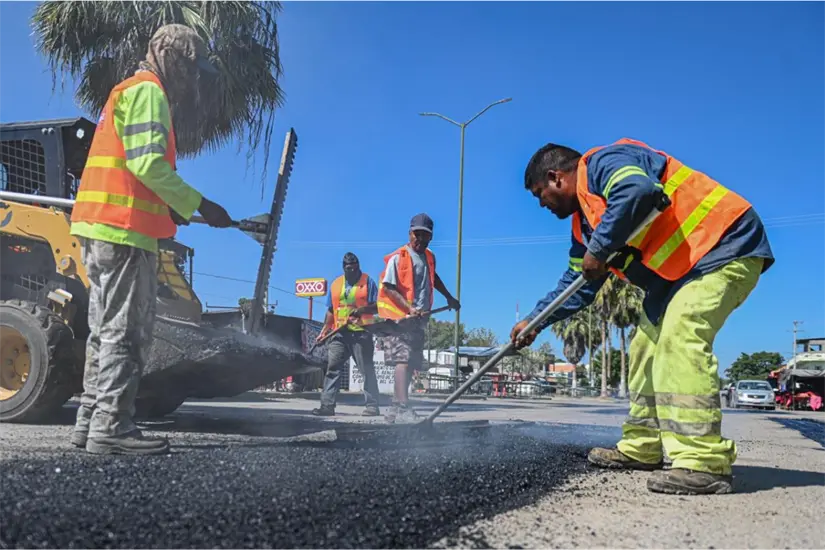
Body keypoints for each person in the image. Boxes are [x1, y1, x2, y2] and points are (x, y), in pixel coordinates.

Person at [510, 138, 774, 495]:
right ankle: (643, 446)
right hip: (676, 277)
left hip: (723, 245)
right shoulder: (583, 226)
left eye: (539, 194)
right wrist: (534, 321)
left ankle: (703, 462)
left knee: (680, 337)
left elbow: (637, 190)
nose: (542, 204)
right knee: (643, 350)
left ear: (556, 177)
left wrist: (600, 249)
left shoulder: (603, 163)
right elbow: (577, 283)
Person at [69, 24, 233, 455]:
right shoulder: (149, 92)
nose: (192, 79)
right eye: (190, 68)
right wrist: (200, 204)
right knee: (127, 332)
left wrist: (173, 207)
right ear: (168, 55)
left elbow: (132, 168)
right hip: (124, 232)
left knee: (103, 331)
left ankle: (89, 420)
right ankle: (111, 427)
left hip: (99, 228)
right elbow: (147, 164)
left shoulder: (126, 91)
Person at [377, 213, 460, 423]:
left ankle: (395, 409)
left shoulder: (429, 257)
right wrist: (409, 308)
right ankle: (403, 407)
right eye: (417, 234)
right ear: (410, 233)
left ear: (431, 237)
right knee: (402, 360)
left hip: (418, 320)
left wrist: (449, 297)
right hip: (399, 320)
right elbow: (388, 287)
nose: (421, 239)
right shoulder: (399, 257)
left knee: (411, 362)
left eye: (425, 235)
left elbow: (434, 278)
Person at [313, 252, 381, 417]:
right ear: (344, 268)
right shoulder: (336, 284)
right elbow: (331, 310)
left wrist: (361, 310)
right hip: (340, 334)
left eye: (355, 268)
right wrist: (325, 330)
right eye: (349, 269)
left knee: (366, 370)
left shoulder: (368, 282)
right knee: (333, 369)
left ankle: (372, 406)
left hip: (361, 333)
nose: (353, 272)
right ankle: (327, 406)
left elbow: (378, 306)